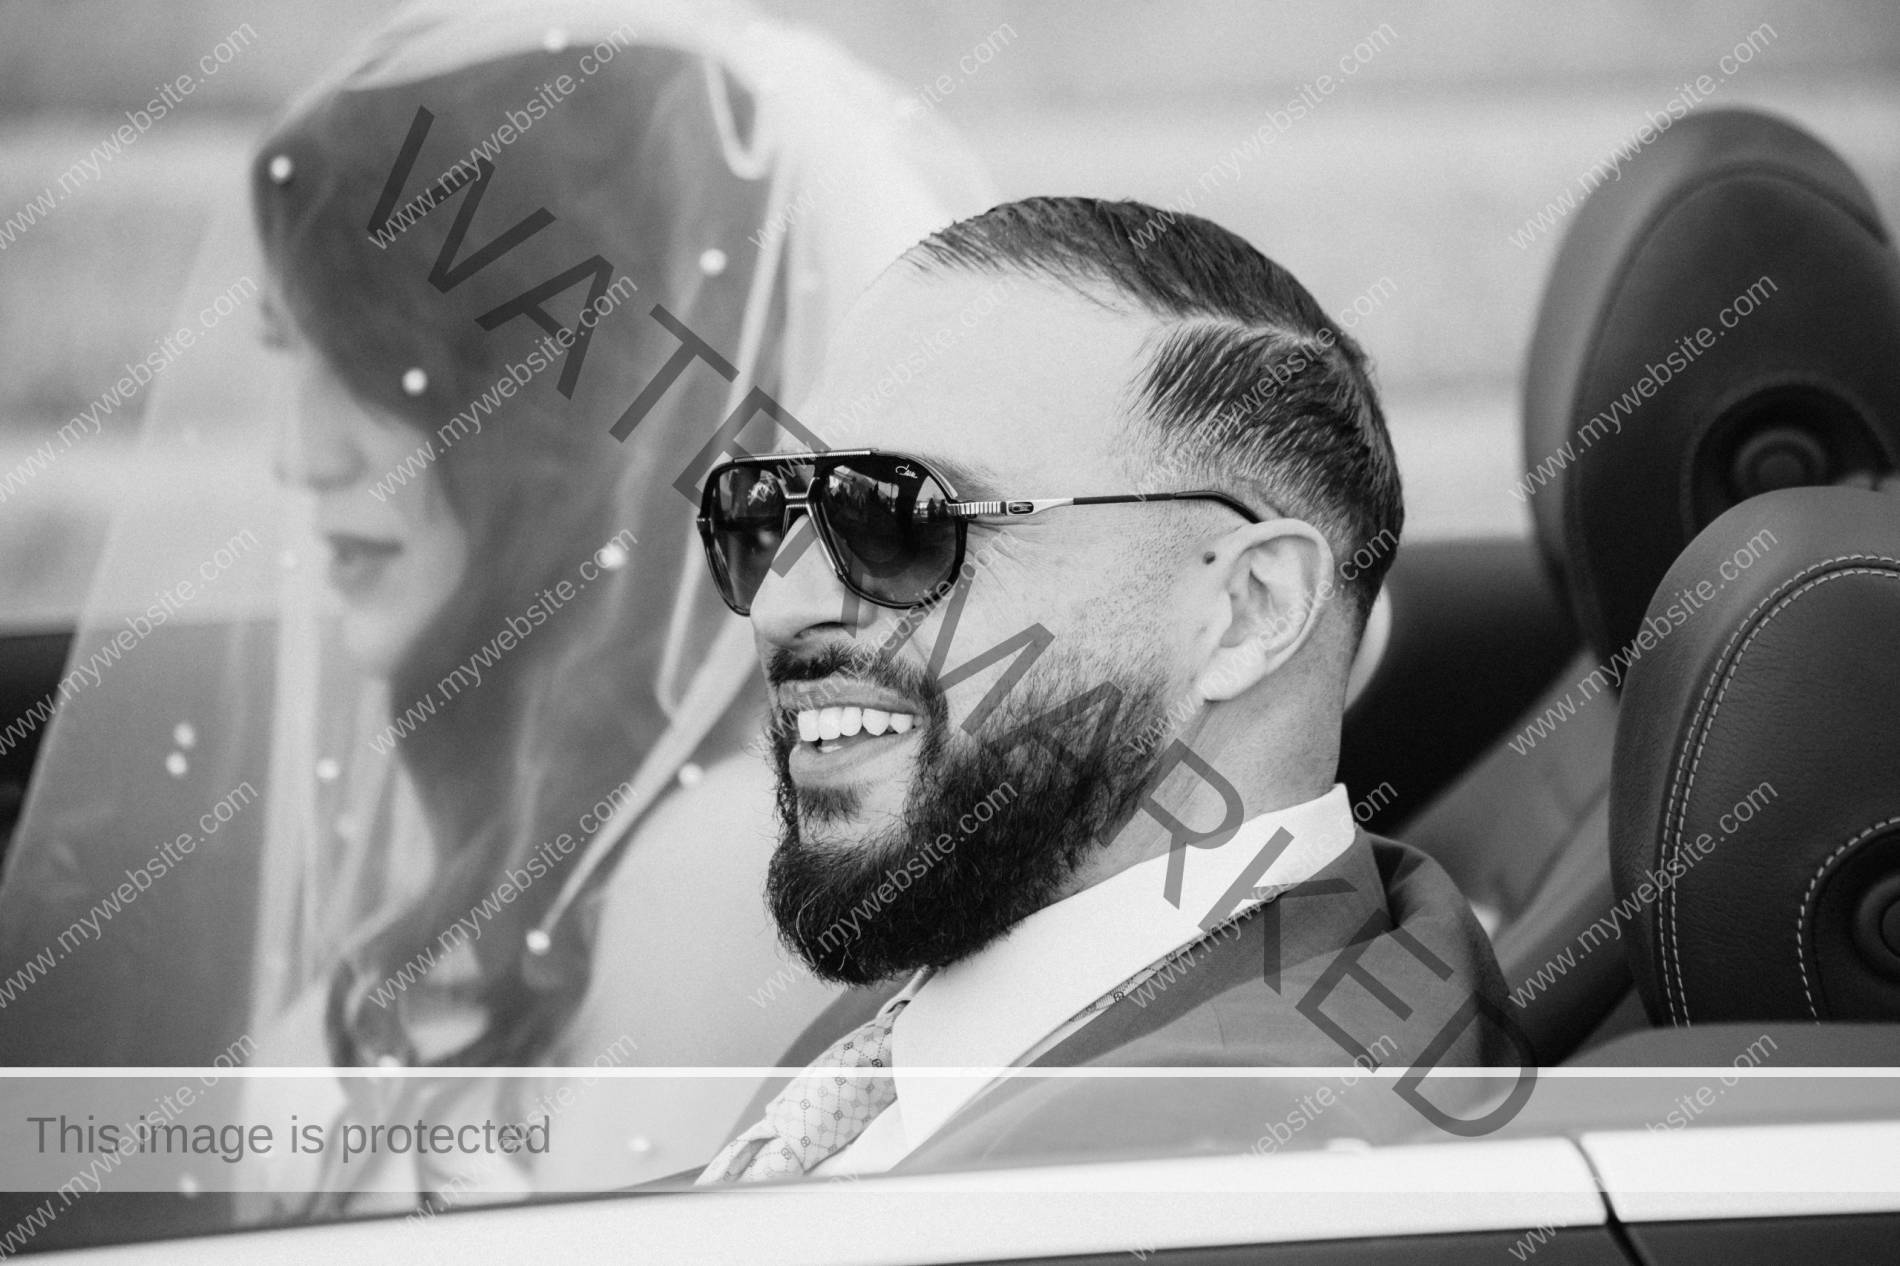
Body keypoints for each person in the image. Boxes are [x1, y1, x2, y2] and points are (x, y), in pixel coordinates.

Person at [0, 0, 990, 1207]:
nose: (301, 457)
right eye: (286, 355)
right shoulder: (483, 823)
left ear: (554, 420)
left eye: (372, 368)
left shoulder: (717, 868)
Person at [690, 197, 1517, 1183]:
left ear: (1249, 611)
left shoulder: (1212, 1177)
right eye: (766, 511)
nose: (780, 605)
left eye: (899, 519)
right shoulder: (995, 964)